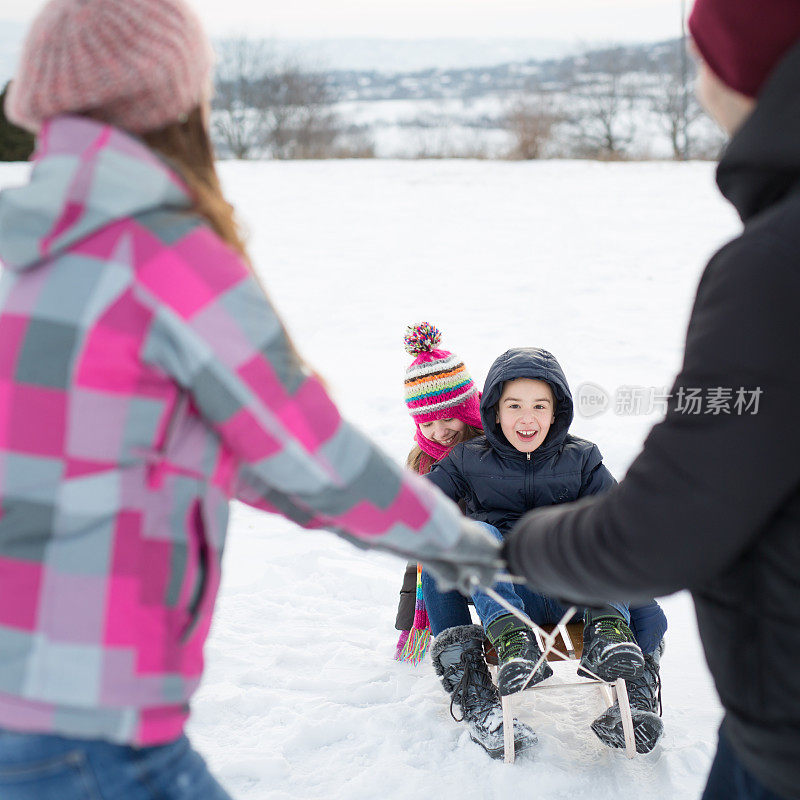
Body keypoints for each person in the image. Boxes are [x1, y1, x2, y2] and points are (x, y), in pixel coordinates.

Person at [0, 4, 501, 798]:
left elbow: (226, 450)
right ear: (176, 100)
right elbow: (309, 456)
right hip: (94, 725)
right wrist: (472, 545)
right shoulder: (167, 256)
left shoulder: (15, 244)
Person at [502, 1, 800, 797]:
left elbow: (665, 526)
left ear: (746, 72)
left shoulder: (772, 269)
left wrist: (515, 547)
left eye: (703, 54)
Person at [426, 346, 668, 753]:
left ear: (556, 412)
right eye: (514, 405)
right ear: (494, 411)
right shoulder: (467, 459)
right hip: (506, 599)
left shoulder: (583, 458)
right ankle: (480, 697)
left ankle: (627, 671)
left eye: (540, 405)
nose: (527, 417)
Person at [394, 322, 538, 760]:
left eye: (448, 417)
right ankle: (476, 697)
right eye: (427, 421)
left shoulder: (503, 446)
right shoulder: (422, 462)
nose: (439, 430)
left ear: (469, 408)